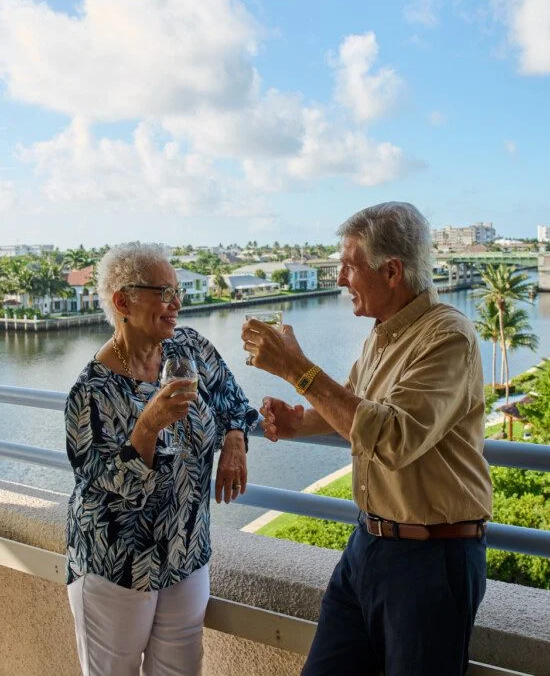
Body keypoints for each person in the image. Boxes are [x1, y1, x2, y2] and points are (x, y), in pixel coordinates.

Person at [241, 202, 492, 676]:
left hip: (432, 560)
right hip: (368, 545)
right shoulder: (382, 335)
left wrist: (296, 368)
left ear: (392, 271)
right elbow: (358, 404)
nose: (339, 279)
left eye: (349, 267)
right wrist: (303, 422)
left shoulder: (448, 337)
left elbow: (393, 437)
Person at [65, 242, 257, 676]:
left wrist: (233, 441)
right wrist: (147, 428)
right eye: (163, 292)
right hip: (115, 567)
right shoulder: (91, 393)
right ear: (122, 302)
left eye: (177, 291)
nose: (176, 303)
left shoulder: (187, 348)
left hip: (186, 554)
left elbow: (234, 402)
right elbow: (111, 487)